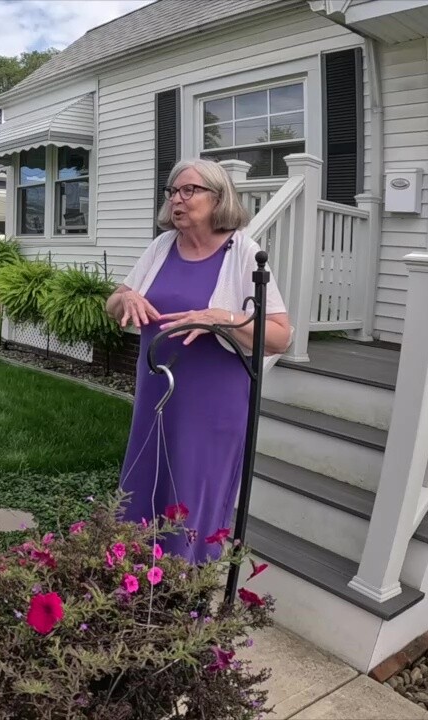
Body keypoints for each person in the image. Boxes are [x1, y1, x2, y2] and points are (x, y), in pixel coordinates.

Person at [105, 158, 292, 564]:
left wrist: (220, 317)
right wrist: (126, 297)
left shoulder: (243, 253)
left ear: (218, 197)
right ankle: (135, 577)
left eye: (189, 190)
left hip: (212, 400)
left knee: (192, 490)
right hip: (157, 391)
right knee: (144, 482)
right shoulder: (161, 247)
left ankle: (185, 586)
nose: (178, 199)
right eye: (173, 191)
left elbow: (280, 336)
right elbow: (113, 301)